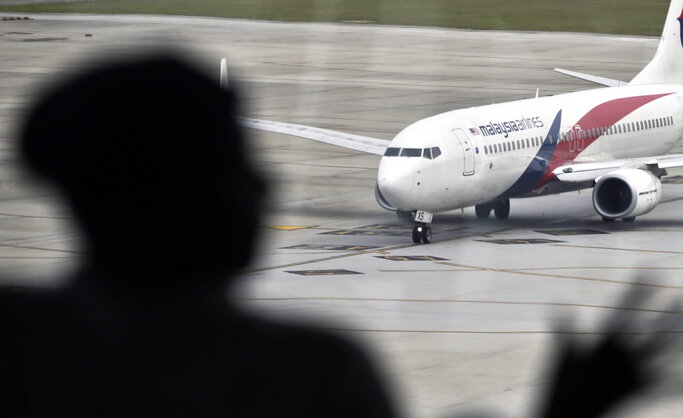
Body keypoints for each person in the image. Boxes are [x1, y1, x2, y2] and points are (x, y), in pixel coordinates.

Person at [0, 53, 397, 417]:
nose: (264, 186)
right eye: (234, 169)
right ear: (163, 197)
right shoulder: (315, 374)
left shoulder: (23, 347)